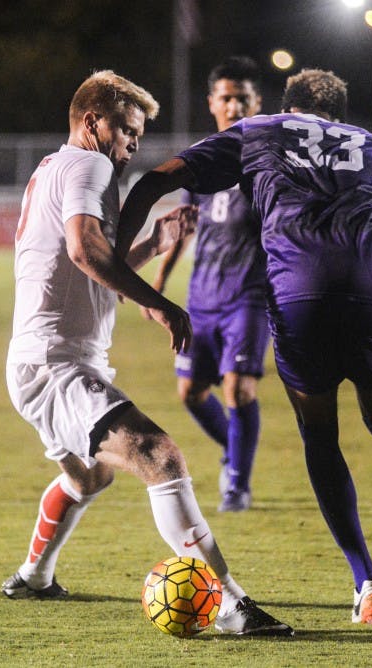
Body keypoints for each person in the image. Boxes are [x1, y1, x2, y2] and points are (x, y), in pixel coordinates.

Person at [117, 69, 372, 625]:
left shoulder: (258, 132)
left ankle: (368, 583)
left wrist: (120, 256)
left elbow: (157, 180)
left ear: (287, 106)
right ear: (340, 112)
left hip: (298, 296)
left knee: (320, 434)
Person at [0, 69, 293, 636]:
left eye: (138, 133)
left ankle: (32, 576)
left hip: (46, 359)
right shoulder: (89, 165)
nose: (133, 144)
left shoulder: (57, 167)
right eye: (127, 130)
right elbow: (86, 252)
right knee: (161, 457)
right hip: (54, 365)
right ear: (92, 123)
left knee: (90, 480)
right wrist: (160, 303)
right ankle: (231, 605)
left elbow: (86, 265)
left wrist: (153, 245)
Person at [144, 56, 268, 512]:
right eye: (226, 98)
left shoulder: (267, 160)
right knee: (192, 393)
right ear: (212, 102)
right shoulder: (201, 160)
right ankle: (233, 449)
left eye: (243, 98)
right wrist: (159, 277)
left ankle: (237, 482)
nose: (234, 106)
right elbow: (185, 224)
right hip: (203, 297)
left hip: (250, 296)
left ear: (257, 103)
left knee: (238, 389)